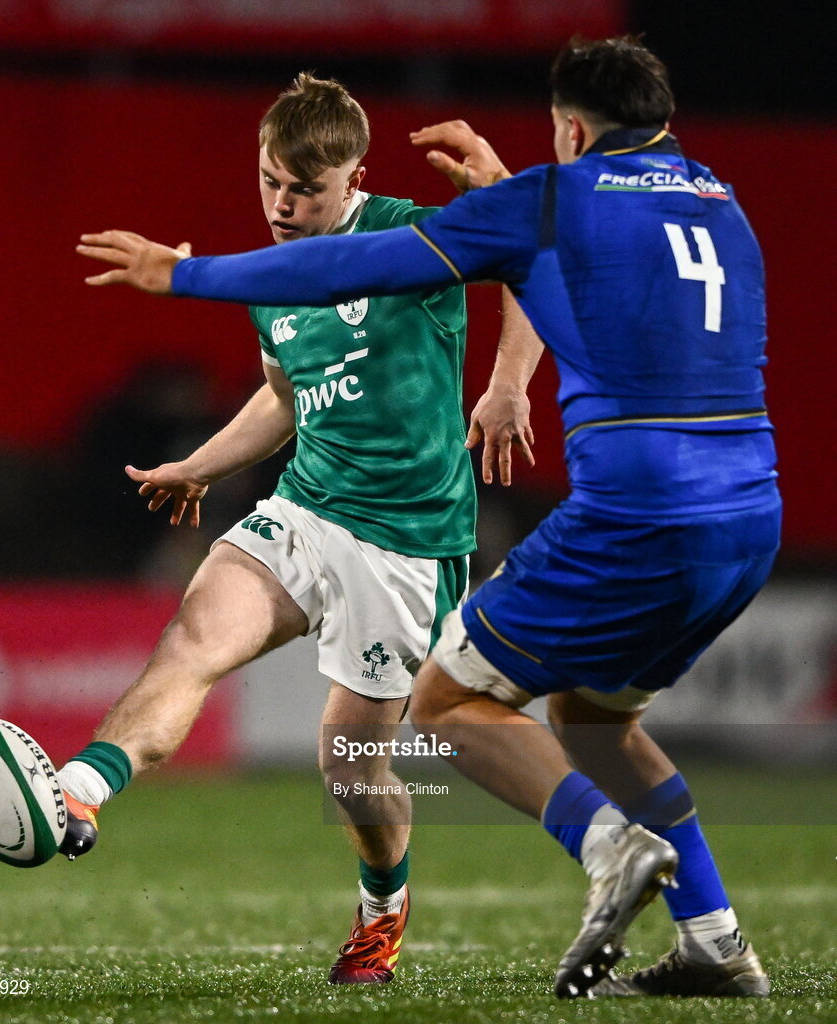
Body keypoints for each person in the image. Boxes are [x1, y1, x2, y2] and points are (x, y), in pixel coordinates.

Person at [77, 38, 781, 1000]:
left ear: (572, 130)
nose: (281, 203)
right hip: (748, 509)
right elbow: (575, 262)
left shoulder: (531, 203)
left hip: (599, 513)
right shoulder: (719, 200)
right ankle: (714, 939)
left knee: (438, 708)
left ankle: (612, 847)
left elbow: (370, 263)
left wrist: (183, 275)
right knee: (591, 718)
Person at [59, 73, 538, 986]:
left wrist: (508, 381)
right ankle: (79, 790)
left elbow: (530, 255)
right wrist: (201, 464)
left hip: (407, 539)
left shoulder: (409, 232)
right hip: (307, 507)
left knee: (347, 769)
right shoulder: (271, 282)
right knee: (192, 639)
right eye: (271, 182)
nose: (282, 205)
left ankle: (383, 906)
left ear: (353, 176)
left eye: (305, 189)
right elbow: (285, 397)